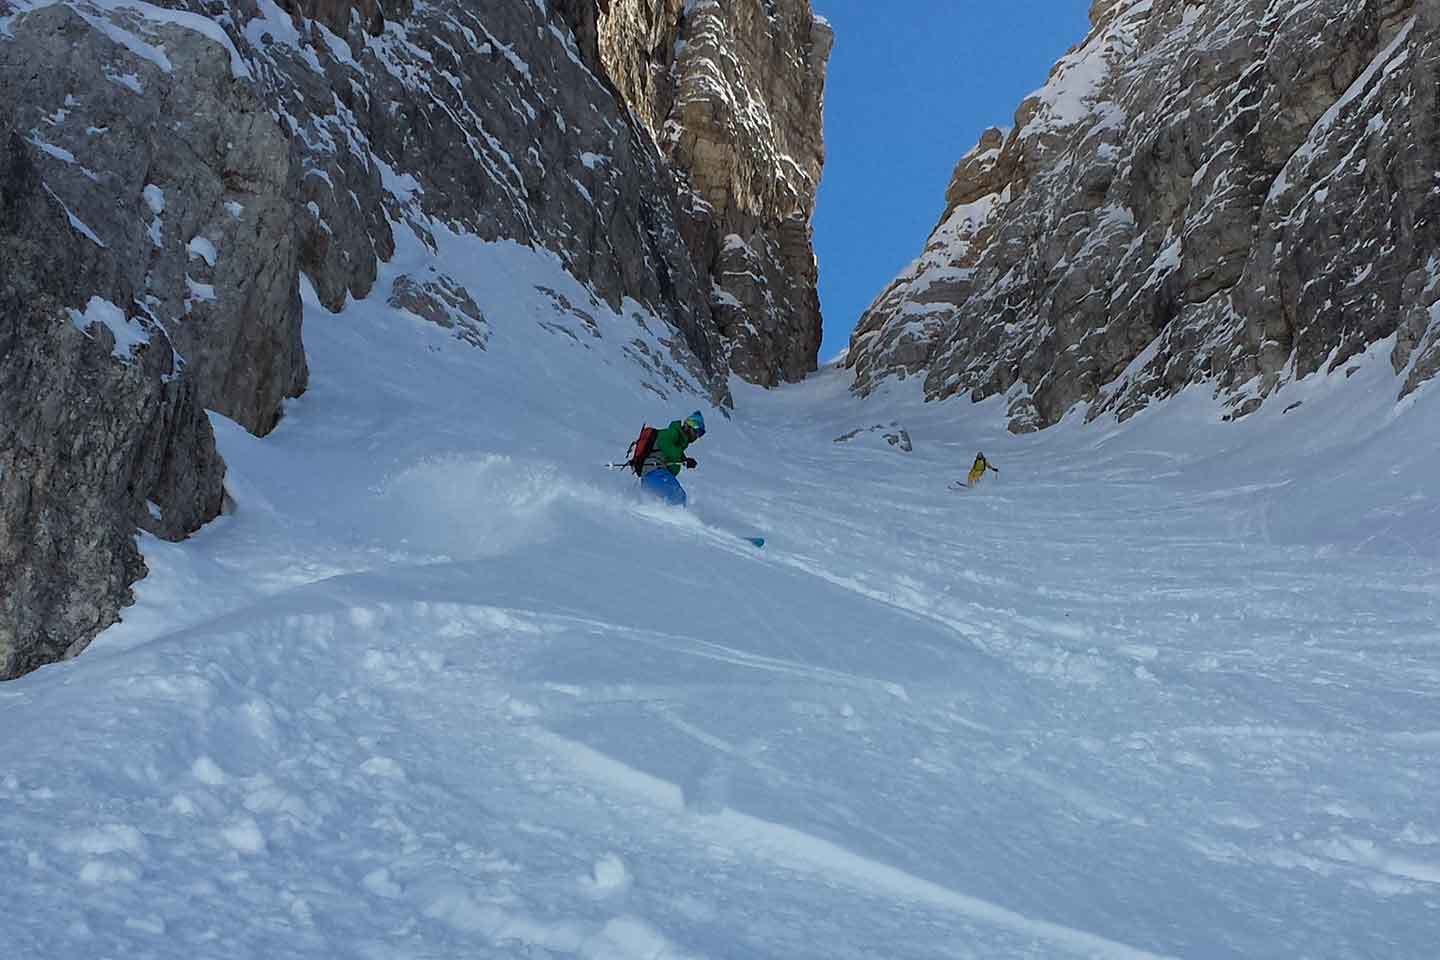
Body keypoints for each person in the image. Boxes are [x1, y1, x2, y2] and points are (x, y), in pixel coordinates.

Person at [640, 411, 705, 506]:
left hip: (653, 474)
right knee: (678, 497)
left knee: (664, 501)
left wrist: (685, 460)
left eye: (700, 434)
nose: (697, 436)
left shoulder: (678, 442)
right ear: (689, 426)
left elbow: (671, 451)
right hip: (654, 471)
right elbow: (665, 444)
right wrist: (683, 459)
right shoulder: (673, 432)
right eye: (697, 431)